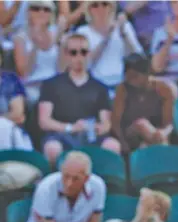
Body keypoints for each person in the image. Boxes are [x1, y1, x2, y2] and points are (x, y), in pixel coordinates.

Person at [38, 33, 120, 164]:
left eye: (83, 52)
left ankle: (106, 182)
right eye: (73, 52)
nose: (79, 57)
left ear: (89, 54)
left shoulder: (100, 87)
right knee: (52, 148)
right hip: (61, 135)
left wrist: (95, 128)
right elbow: (44, 121)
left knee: (112, 145)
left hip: (90, 136)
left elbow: (106, 123)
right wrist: (71, 128)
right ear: (66, 55)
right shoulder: (51, 85)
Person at [112, 53, 175, 153]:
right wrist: (123, 143)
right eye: (127, 76)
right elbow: (116, 124)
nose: (130, 80)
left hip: (156, 135)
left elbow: (169, 123)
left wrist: (163, 132)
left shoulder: (163, 89)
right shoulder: (122, 90)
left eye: (134, 76)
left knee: (148, 145)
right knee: (142, 124)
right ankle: (166, 156)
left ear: (147, 74)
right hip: (130, 135)